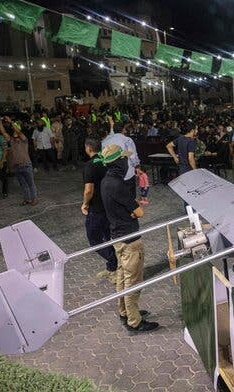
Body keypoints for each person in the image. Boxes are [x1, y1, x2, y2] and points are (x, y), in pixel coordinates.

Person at [100, 144, 157, 333]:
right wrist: (133, 213)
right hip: (130, 240)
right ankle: (135, 321)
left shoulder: (106, 181)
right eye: (124, 159)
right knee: (133, 281)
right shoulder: (119, 185)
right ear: (118, 162)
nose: (127, 162)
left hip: (117, 237)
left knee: (123, 278)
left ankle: (124, 312)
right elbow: (139, 212)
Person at [82, 137, 118, 283]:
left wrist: (85, 203)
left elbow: (88, 189)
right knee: (108, 238)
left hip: (96, 209)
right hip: (108, 206)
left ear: (88, 148)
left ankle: (115, 264)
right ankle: (112, 268)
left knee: (95, 240)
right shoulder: (106, 162)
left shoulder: (90, 165)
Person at [0, 117, 37, 205]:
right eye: (14, 134)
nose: (15, 135)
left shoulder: (24, 141)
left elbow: (19, 132)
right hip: (16, 167)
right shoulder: (12, 141)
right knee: (23, 184)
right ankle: (27, 199)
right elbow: (3, 132)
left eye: (17, 134)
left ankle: (34, 199)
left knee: (31, 184)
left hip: (26, 165)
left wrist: (11, 122)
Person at [102, 117, 140, 199]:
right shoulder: (127, 140)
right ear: (123, 129)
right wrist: (137, 166)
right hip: (127, 172)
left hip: (111, 173)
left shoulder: (105, 141)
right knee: (130, 197)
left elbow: (102, 156)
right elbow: (132, 156)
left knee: (116, 196)